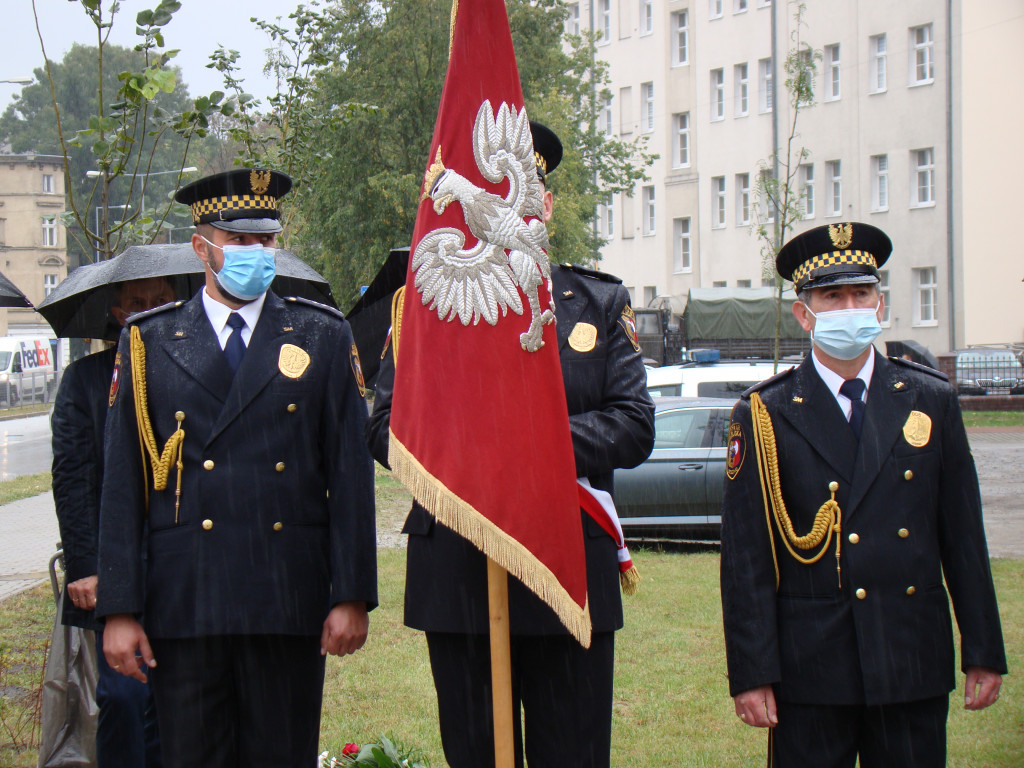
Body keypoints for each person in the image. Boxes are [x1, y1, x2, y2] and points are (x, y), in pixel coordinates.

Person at [366, 122, 655, 768]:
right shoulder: (426, 304)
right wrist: (470, 451)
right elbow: (384, 422)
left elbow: (634, 427)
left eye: (534, 193)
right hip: (459, 572)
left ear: (545, 204)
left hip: (567, 565)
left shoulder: (597, 305)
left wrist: (528, 439)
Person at [96, 169, 378, 768]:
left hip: (285, 599)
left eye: (267, 242)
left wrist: (351, 594)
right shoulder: (149, 341)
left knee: (281, 755)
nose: (257, 255)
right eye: (240, 242)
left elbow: (350, 475)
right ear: (202, 247)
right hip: (186, 601)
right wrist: (120, 609)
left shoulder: (321, 335)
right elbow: (123, 484)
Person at [720, 221, 1007, 767]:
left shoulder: (930, 400)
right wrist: (752, 673)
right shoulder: (764, 414)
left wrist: (983, 651)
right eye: (832, 296)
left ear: (880, 305)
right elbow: (746, 561)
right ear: (803, 313)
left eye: (862, 293)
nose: (850, 307)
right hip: (811, 670)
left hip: (909, 656)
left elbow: (963, 535)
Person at [52, 276, 174, 768]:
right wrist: (84, 565)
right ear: (118, 313)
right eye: (137, 303)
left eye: (161, 302)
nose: (148, 311)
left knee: (174, 701)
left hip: (181, 566)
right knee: (124, 700)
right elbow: (73, 477)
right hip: (112, 572)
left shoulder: (188, 369)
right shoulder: (84, 381)